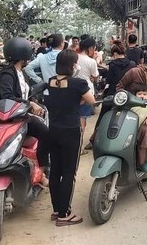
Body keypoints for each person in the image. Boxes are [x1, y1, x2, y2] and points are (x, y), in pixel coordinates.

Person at [45, 50, 95, 227]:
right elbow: (91, 100)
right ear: (72, 65)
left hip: (53, 130)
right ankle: (65, 214)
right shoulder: (78, 83)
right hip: (71, 131)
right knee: (68, 172)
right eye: (75, 63)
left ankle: (57, 209)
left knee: (56, 170)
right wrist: (78, 100)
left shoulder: (50, 82)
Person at [0, 37, 49, 176]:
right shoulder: (7, 74)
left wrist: (34, 101)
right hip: (10, 117)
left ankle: (36, 166)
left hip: (20, 114)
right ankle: (41, 173)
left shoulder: (21, 73)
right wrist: (30, 104)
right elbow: (7, 97)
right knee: (46, 134)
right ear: (24, 55)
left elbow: (27, 93)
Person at [86, 41, 135, 149]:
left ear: (115, 54)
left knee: (103, 116)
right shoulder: (132, 64)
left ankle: (93, 140)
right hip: (127, 95)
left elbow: (109, 81)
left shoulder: (112, 65)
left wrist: (104, 93)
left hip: (113, 94)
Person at [129, 82, 147, 176]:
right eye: (139, 94)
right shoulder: (131, 105)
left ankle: (142, 162)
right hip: (131, 127)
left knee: (145, 134)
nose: (142, 96)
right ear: (134, 95)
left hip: (142, 127)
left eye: (144, 94)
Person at [75, 37, 99, 135]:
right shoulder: (91, 61)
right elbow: (95, 76)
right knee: (82, 117)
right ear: (90, 48)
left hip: (73, 90)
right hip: (86, 91)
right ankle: (79, 145)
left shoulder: (74, 57)